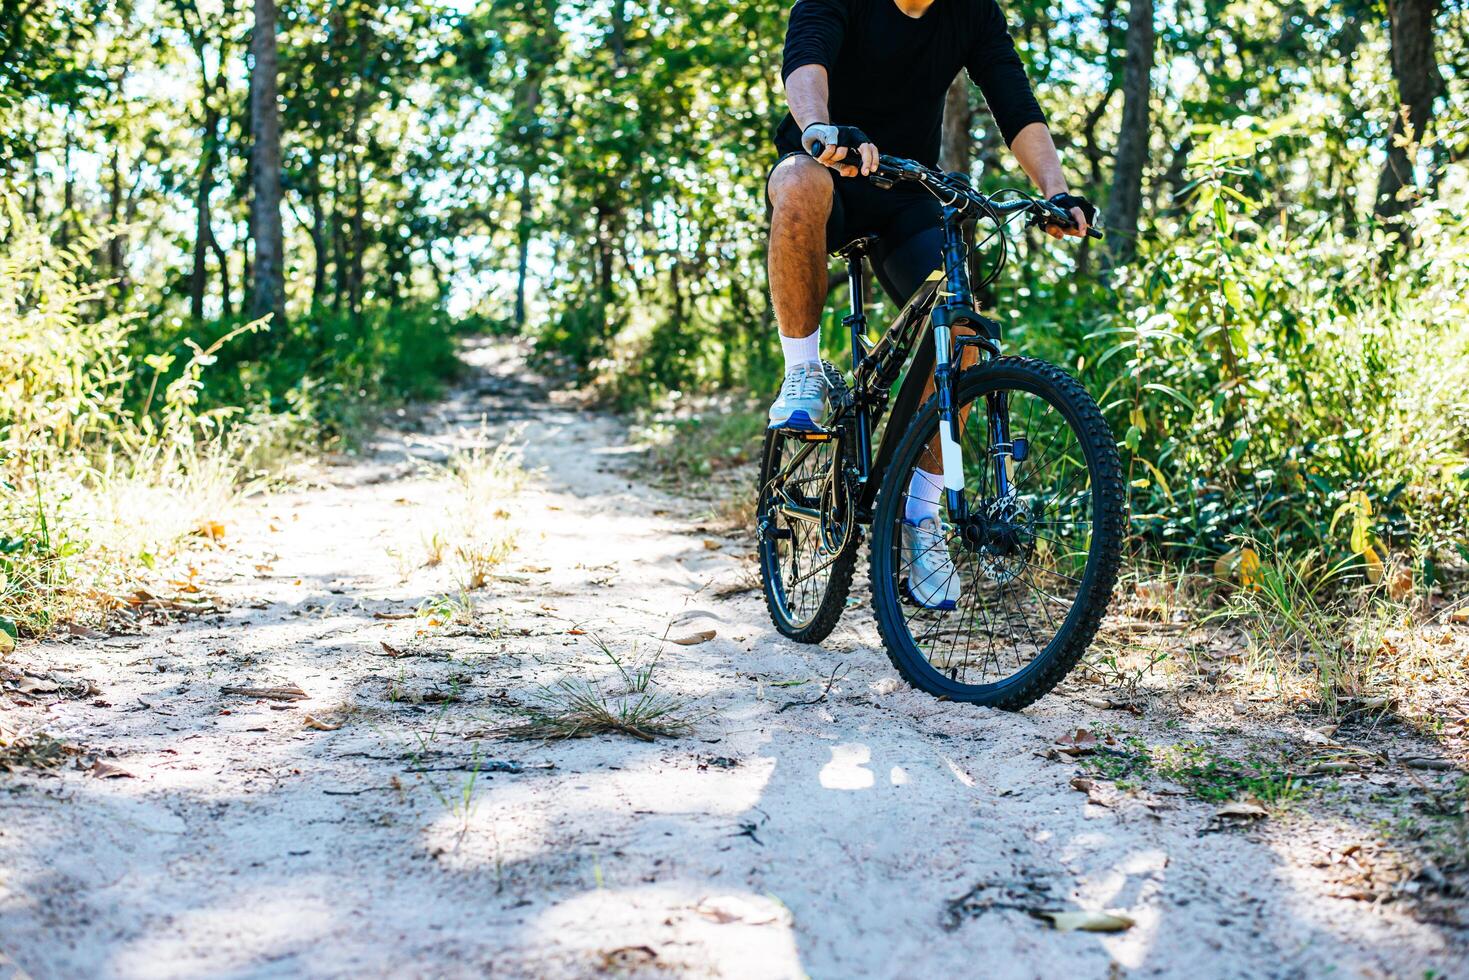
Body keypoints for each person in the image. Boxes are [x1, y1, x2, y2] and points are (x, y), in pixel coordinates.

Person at [764, 0, 1096, 609]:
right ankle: (803, 372)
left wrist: (1056, 192)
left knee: (962, 327)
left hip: (907, 192)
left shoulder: (970, 12)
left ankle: (920, 518)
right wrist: (819, 127)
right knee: (795, 182)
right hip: (828, 168)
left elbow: (1014, 102)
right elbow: (805, 57)